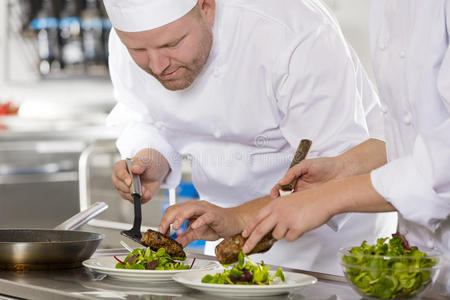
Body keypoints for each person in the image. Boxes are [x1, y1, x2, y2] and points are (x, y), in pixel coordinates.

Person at [104, 0, 396, 275]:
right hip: (222, 238)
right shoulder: (133, 37)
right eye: (137, 50)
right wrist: (150, 159)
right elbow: (142, 115)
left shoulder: (292, 31)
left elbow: (329, 172)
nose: (157, 66)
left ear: (206, 6)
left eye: (172, 43)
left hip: (328, 250)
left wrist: (239, 217)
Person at [242, 0, 450, 293]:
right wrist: (343, 168)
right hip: (421, 267)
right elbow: (412, 134)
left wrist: (328, 198)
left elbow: (442, 167)